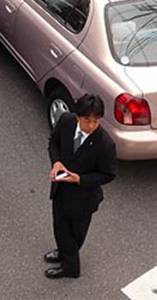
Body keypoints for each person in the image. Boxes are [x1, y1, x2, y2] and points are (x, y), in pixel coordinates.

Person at [44, 94, 116, 278]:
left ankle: (71, 268)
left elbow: (107, 175)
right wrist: (56, 162)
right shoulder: (66, 121)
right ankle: (63, 252)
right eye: (87, 120)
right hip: (61, 189)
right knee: (59, 226)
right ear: (77, 116)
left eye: (96, 121)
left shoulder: (105, 144)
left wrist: (79, 179)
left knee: (75, 234)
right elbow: (53, 143)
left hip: (84, 198)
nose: (91, 126)